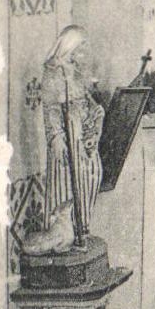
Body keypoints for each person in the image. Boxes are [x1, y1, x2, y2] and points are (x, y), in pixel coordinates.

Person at [25, 25, 104, 254]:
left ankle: (82, 226)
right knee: (68, 182)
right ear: (69, 47)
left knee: (92, 173)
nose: (83, 53)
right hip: (67, 134)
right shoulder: (52, 72)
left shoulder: (77, 72)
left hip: (82, 134)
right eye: (80, 48)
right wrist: (56, 137)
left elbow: (88, 100)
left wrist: (96, 114)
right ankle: (67, 229)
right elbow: (50, 108)